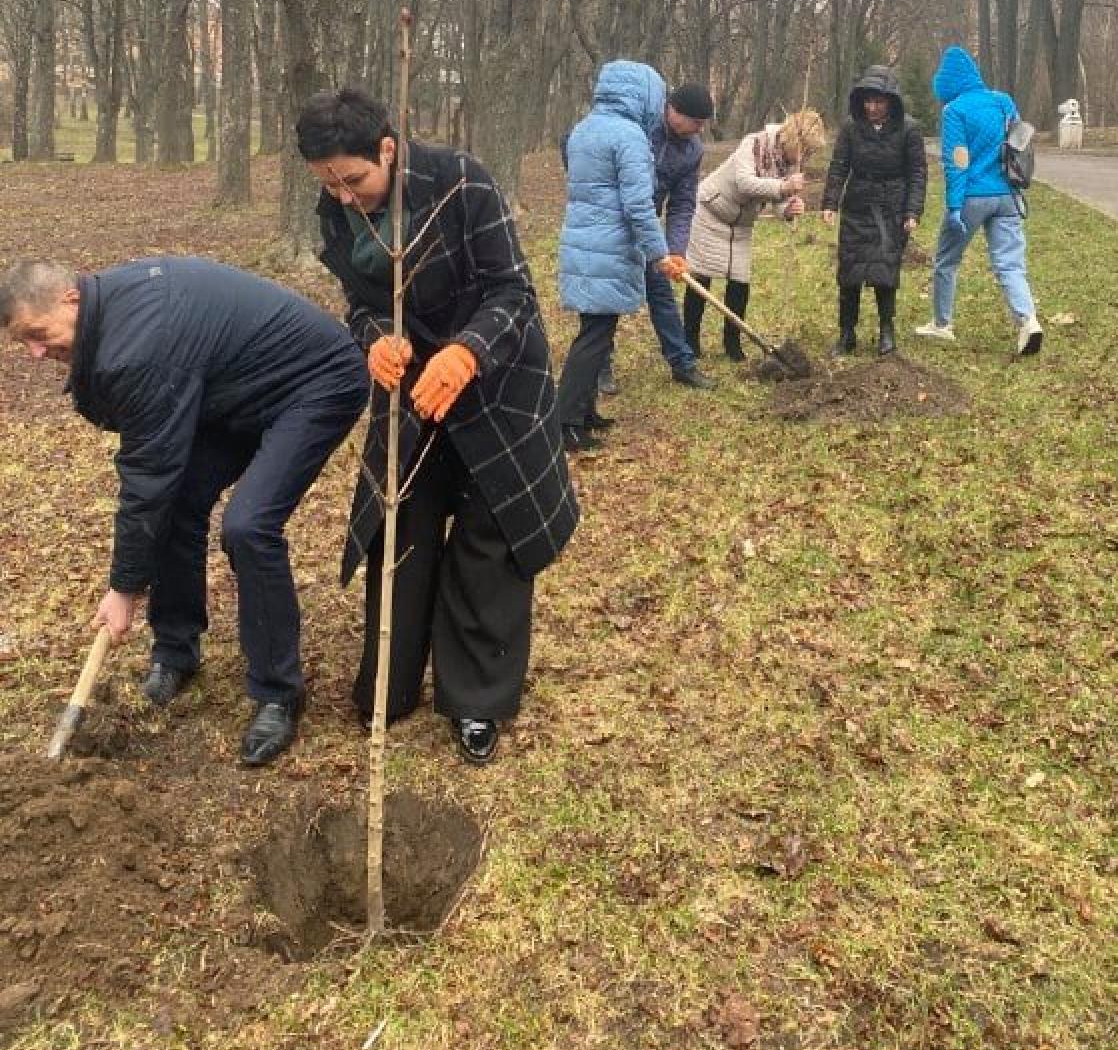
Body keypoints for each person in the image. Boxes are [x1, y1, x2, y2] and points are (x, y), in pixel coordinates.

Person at [296, 88, 578, 766]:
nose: (343, 196)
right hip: (409, 395)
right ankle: (390, 684)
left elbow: (514, 290)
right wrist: (372, 339)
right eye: (329, 184)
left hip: (498, 387)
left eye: (354, 179)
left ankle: (476, 700)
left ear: (386, 149)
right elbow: (358, 305)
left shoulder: (460, 183)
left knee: (488, 542)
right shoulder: (336, 211)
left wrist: (467, 350)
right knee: (402, 530)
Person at [0, 255, 369, 766]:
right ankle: (175, 652)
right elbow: (158, 479)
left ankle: (277, 694)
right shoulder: (112, 320)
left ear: (71, 298)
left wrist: (124, 589)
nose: (36, 352)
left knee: (248, 525)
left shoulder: (137, 345)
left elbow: (146, 476)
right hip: (231, 390)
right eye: (23, 343)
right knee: (177, 504)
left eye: (38, 334)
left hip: (315, 381)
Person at [557, 60, 688, 452]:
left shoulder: (583, 129)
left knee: (598, 328)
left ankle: (585, 412)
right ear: (644, 96)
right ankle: (565, 423)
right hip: (608, 245)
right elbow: (637, 204)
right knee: (594, 336)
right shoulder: (630, 136)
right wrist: (659, 253)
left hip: (583, 241)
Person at [570, 81, 716, 397]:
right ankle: (600, 366)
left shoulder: (692, 150)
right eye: (696, 122)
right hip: (611, 224)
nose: (699, 129)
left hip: (648, 227)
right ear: (674, 111)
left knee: (661, 293)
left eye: (703, 124)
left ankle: (682, 363)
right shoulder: (637, 128)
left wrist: (674, 251)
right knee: (603, 298)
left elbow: (682, 203)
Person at [914, 45, 1043, 356]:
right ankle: (1028, 320)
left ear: (947, 84)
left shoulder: (955, 111)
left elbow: (957, 160)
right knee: (1010, 264)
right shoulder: (1003, 102)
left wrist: (955, 205)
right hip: (1007, 196)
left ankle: (942, 324)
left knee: (947, 260)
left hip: (972, 198)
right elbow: (1019, 144)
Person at [683, 109, 825, 360]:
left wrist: (789, 209)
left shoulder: (790, 164)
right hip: (711, 211)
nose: (807, 156)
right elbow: (745, 183)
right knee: (701, 277)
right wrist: (783, 186)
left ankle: (732, 344)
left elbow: (777, 201)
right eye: (806, 149)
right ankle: (690, 341)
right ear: (795, 140)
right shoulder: (754, 144)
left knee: (740, 282)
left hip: (741, 225)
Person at [821, 65, 927, 357]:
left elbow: (917, 173)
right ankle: (847, 333)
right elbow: (839, 166)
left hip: (891, 207)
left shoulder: (910, 130)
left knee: (885, 271)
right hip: (857, 206)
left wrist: (912, 211)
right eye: (868, 101)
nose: (873, 107)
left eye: (879, 101)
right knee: (850, 271)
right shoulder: (850, 128)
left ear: (891, 101)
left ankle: (886, 331)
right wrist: (830, 202)